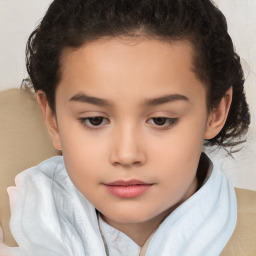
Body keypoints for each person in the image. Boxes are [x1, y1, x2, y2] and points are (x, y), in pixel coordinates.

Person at [0, 0, 255, 255]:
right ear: (52, 120)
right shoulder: (14, 225)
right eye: (95, 120)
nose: (127, 154)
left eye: (160, 120)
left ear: (215, 113)